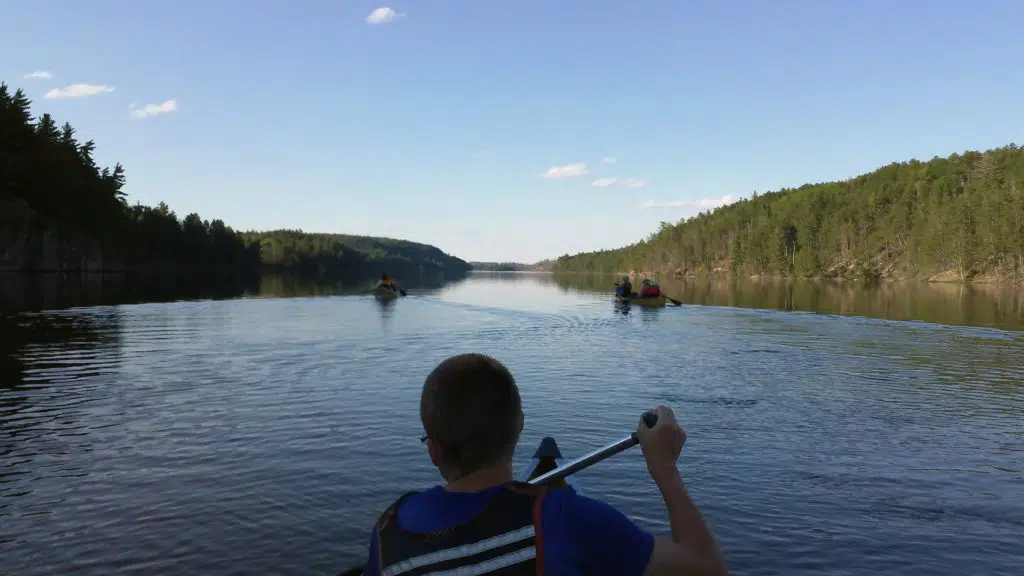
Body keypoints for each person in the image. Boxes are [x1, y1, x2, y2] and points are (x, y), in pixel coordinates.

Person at [360, 353, 727, 576]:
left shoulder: (388, 530)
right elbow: (707, 569)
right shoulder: (570, 519)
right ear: (518, 427)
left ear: (433, 450)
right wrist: (664, 468)